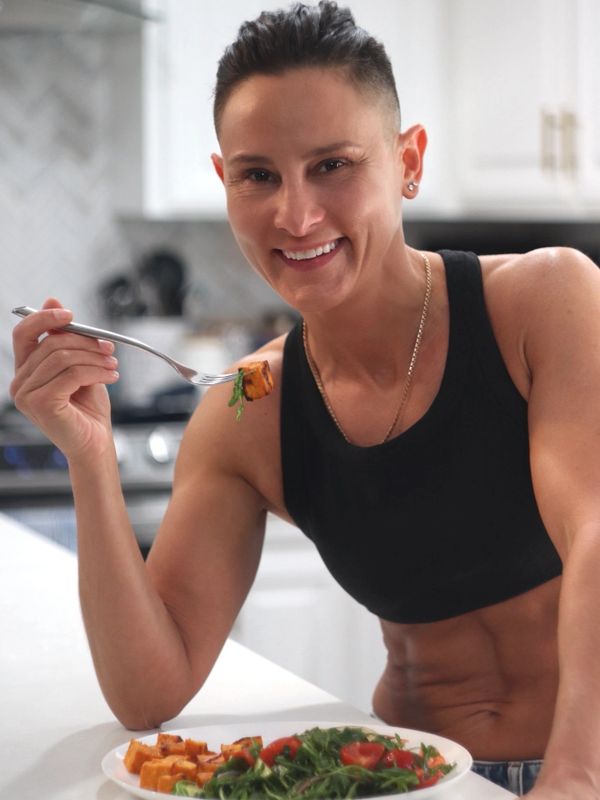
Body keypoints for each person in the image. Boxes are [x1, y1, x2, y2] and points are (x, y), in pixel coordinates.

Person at [10, 2, 600, 797]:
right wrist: (89, 459)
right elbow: (150, 689)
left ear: (409, 161)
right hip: (422, 779)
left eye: (333, 164)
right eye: (259, 175)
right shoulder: (246, 410)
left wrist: (575, 776)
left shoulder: (546, 301)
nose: (296, 214)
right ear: (225, 184)